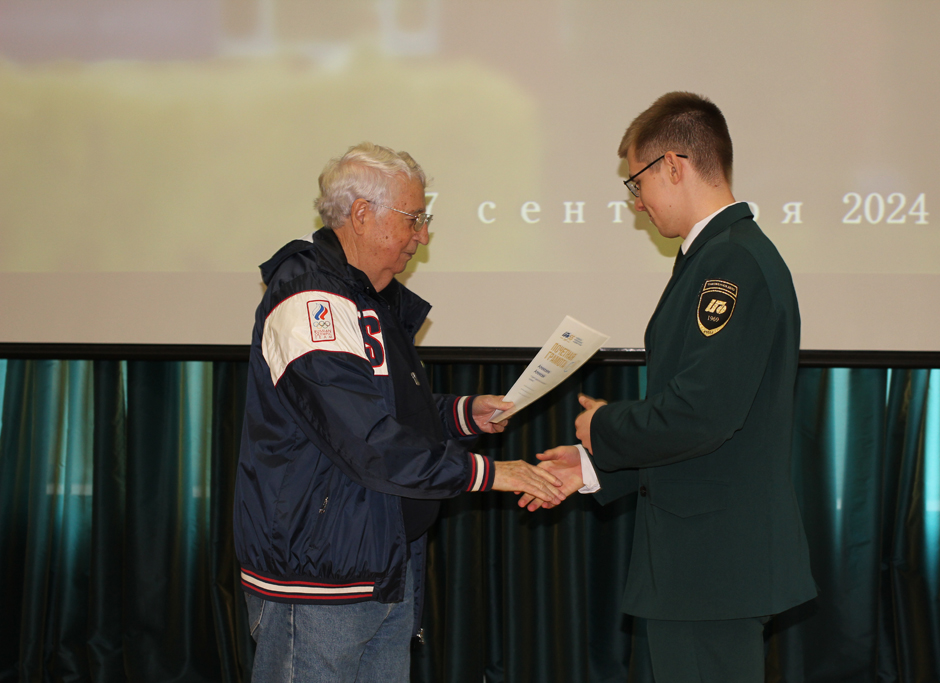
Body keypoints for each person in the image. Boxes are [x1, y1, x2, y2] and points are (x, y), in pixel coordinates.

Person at [233, 142, 565, 683]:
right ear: (362, 214)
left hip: (381, 562)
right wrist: (490, 473)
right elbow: (365, 438)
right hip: (320, 578)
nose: (422, 235)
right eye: (414, 218)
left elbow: (385, 409)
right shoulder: (311, 301)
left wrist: (463, 414)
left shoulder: (369, 296)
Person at [524, 92, 816, 682]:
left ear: (675, 167)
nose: (637, 203)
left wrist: (603, 427)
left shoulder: (732, 263)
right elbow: (705, 425)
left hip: (711, 569)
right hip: (694, 569)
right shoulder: (715, 256)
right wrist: (593, 468)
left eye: (637, 183)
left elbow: (701, 415)